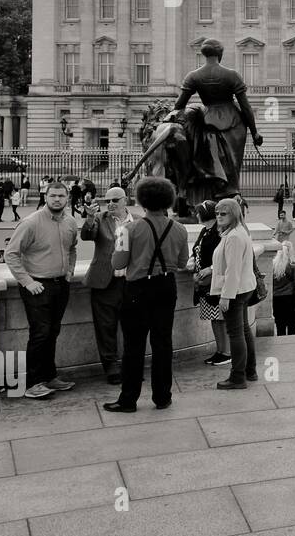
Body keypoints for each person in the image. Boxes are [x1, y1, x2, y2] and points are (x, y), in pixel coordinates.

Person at [103, 177, 190, 413]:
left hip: (137, 288)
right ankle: (162, 396)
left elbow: (117, 262)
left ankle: (128, 398)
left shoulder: (127, 229)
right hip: (166, 287)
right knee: (163, 343)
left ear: (142, 201)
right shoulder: (180, 229)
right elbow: (182, 263)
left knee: (133, 346)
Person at [3, 180, 78, 400]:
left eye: (61, 196)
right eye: (53, 195)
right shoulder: (31, 222)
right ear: (46, 196)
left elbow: (72, 248)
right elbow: (11, 254)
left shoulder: (71, 222)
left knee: (52, 332)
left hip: (60, 284)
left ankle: (49, 376)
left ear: (67, 198)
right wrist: (27, 281)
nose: (56, 199)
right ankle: (33, 383)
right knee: (40, 334)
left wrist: (70, 270)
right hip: (37, 286)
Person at [168, 38, 263, 203]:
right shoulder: (232, 75)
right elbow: (245, 107)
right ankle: (232, 192)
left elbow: (178, 106)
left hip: (208, 121)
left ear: (203, 54)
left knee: (213, 159)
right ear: (220, 54)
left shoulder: (193, 76)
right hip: (234, 121)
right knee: (233, 162)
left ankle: (209, 192)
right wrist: (255, 132)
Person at [79, 186, 132, 385]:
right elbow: (86, 235)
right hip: (105, 282)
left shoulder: (137, 220)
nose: (110, 204)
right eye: (107, 200)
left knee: (132, 326)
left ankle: (130, 365)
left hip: (130, 282)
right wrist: (90, 218)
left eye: (115, 200)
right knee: (105, 327)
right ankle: (111, 367)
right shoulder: (100, 218)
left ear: (125, 200)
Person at [209, 197, 258, 390]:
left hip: (235, 292)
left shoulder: (234, 237)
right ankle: (249, 370)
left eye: (224, 213)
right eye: (217, 213)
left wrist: (226, 296)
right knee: (244, 330)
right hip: (244, 288)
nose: (219, 217)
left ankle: (238, 376)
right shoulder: (237, 232)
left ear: (234, 214)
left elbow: (232, 270)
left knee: (235, 334)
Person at [187, 200, 231, 366]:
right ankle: (220, 351)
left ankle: (225, 352)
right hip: (205, 283)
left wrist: (210, 268)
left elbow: (224, 256)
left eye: (198, 212)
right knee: (214, 318)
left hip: (215, 281)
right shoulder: (206, 231)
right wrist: (193, 261)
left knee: (219, 318)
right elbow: (196, 250)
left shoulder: (219, 232)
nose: (196, 215)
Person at [271, 240, 295, 336]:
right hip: (290, 298)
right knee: (292, 326)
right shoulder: (293, 265)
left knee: (280, 325)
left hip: (277, 298)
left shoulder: (273, 265)